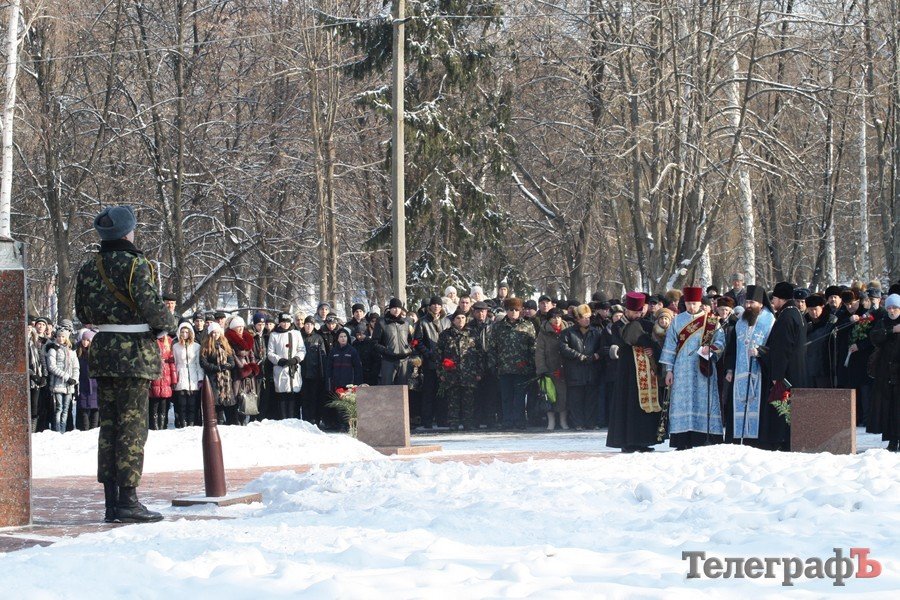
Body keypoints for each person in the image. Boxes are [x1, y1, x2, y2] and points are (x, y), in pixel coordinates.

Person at [75, 205, 177, 523]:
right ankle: (128, 501)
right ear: (128, 232)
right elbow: (152, 306)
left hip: (104, 351)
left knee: (109, 427)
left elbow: (82, 313)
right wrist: (166, 325)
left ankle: (111, 503)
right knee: (132, 429)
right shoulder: (135, 264)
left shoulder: (89, 267)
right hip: (133, 354)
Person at [660, 286, 725, 449]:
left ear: (700, 303)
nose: (691, 307)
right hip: (682, 369)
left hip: (703, 368)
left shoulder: (711, 321)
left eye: (694, 303)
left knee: (704, 400)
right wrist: (669, 370)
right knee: (683, 401)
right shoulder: (677, 320)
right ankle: (682, 439)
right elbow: (669, 346)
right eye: (689, 303)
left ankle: (705, 437)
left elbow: (720, 342)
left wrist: (711, 349)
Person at [605, 292, 662, 452]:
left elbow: (657, 343)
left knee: (642, 407)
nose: (637, 315)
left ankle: (644, 441)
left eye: (639, 312)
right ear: (627, 310)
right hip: (627, 371)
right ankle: (627, 442)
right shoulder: (617, 325)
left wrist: (653, 349)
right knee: (627, 405)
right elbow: (627, 339)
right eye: (634, 312)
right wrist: (646, 342)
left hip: (646, 372)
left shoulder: (648, 324)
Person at [754, 281, 807, 450]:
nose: (772, 302)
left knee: (782, 407)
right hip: (796, 370)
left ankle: (781, 441)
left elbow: (782, 350)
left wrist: (777, 376)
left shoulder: (786, 317)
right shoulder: (795, 313)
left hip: (786, 373)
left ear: (780, 299)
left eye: (774, 298)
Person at [722, 285, 776, 445]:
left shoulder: (770, 321)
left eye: (752, 302)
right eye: (746, 302)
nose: (748, 305)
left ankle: (757, 442)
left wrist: (760, 352)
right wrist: (729, 369)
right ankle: (737, 439)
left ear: (760, 303)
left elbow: (775, 347)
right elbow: (732, 348)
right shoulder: (740, 322)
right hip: (740, 373)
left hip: (761, 374)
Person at [488, 297, 536, 430]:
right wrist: (493, 365)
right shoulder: (498, 326)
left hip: (522, 368)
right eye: (511, 309)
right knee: (506, 396)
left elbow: (533, 347)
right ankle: (507, 420)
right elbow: (492, 347)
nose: (513, 312)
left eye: (516, 309)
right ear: (506, 310)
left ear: (520, 311)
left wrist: (531, 364)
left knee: (520, 396)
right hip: (504, 368)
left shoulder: (528, 326)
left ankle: (519, 420)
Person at [436, 309, 481, 430]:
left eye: (463, 318)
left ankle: (468, 422)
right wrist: (440, 372)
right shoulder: (445, 335)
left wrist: (479, 371)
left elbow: (480, 354)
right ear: (453, 320)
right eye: (458, 318)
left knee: (469, 400)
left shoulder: (473, 334)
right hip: (451, 373)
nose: (460, 320)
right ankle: (453, 422)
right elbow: (438, 355)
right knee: (453, 400)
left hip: (469, 373)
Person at [559, 304, 601, 430]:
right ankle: (578, 423)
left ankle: (590, 422)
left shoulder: (596, 332)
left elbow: (601, 347)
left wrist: (596, 355)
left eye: (588, 317)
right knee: (575, 399)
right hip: (574, 371)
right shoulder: (568, 332)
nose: (587, 320)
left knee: (591, 398)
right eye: (584, 317)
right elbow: (564, 348)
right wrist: (578, 356)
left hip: (591, 370)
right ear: (577, 319)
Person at [868, 294, 900, 450]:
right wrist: (891, 330)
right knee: (889, 408)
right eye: (889, 308)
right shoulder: (883, 322)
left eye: (895, 308)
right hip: (886, 371)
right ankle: (892, 440)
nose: (891, 311)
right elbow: (874, 337)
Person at [414, 295, 451, 428]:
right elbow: (417, 341)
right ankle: (427, 420)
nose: (436, 307)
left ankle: (442, 419)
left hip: (444, 363)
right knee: (428, 392)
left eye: (439, 304)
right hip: (429, 362)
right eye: (434, 304)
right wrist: (428, 353)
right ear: (430, 306)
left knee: (443, 392)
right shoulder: (422, 322)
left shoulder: (447, 321)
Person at [534, 307, 569, 430]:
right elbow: (539, 352)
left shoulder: (567, 330)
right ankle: (551, 421)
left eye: (559, 317)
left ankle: (563, 421)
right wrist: (541, 369)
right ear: (549, 319)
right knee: (549, 396)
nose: (557, 320)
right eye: (554, 317)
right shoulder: (543, 332)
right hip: (549, 369)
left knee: (564, 396)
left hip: (565, 368)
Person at [267, 312, 306, 420]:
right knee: (282, 395)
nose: (285, 324)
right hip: (281, 369)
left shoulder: (296, 333)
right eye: (283, 322)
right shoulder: (274, 335)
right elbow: (270, 353)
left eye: (287, 322)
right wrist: (280, 360)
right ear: (279, 323)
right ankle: (283, 419)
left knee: (294, 394)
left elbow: (302, 349)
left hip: (294, 368)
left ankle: (294, 419)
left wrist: (296, 359)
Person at [199, 323, 238, 425]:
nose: (215, 334)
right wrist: (218, 368)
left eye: (217, 332)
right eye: (213, 332)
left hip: (225, 380)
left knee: (228, 403)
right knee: (216, 404)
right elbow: (203, 363)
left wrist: (227, 366)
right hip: (213, 379)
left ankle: (231, 423)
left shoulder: (225, 344)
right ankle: (218, 422)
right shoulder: (206, 346)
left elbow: (232, 362)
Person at [46, 325, 79, 434]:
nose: (61, 338)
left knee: (66, 409)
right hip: (58, 384)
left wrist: (75, 379)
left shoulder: (71, 351)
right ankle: (57, 430)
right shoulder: (53, 349)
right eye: (59, 336)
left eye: (63, 336)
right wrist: (66, 377)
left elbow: (76, 367)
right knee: (59, 408)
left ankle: (63, 430)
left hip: (69, 385)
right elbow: (52, 366)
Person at [376, 298, 414, 385]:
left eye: (398, 308)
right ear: (390, 309)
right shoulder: (382, 322)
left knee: (403, 388)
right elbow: (375, 342)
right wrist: (386, 350)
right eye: (394, 308)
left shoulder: (406, 322)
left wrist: (409, 349)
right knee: (387, 388)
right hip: (388, 360)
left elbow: (411, 339)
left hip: (404, 360)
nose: (396, 310)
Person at [172, 322, 203, 427]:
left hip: (193, 376)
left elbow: (198, 364)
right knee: (182, 404)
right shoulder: (176, 347)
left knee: (192, 404)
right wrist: (174, 378)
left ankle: (191, 424)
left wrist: (200, 378)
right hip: (181, 375)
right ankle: (183, 424)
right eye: (182, 332)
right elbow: (174, 363)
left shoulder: (196, 346)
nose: (184, 334)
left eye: (186, 332)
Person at [300, 316, 327, 425]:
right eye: (307, 324)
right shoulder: (299, 336)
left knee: (315, 397)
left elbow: (323, 356)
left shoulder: (318, 338)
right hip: (302, 373)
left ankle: (315, 419)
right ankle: (305, 419)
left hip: (315, 374)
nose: (309, 326)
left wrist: (322, 373)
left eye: (311, 324)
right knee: (304, 398)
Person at [148, 332, 177, 430]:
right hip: (155, 374)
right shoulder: (152, 340)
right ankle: (154, 426)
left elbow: (172, 363)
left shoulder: (169, 341)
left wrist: (174, 380)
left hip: (166, 375)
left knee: (164, 403)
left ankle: (163, 425)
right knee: (154, 402)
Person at [74, 330, 99, 430]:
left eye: (88, 340)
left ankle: (94, 429)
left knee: (95, 408)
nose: (85, 342)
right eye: (84, 340)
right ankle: (85, 429)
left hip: (94, 383)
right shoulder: (78, 353)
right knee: (83, 407)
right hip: (83, 383)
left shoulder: (96, 353)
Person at [27, 325, 47, 433]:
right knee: (27, 406)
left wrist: (44, 375)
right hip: (28, 379)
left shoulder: (36, 344)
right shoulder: (23, 344)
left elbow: (42, 360)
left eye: (30, 328)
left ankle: (33, 431)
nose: (29, 330)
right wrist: (33, 375)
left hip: (37, 380)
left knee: (35, 407)